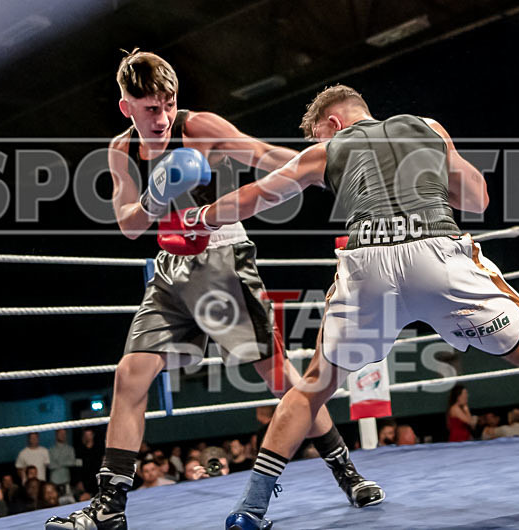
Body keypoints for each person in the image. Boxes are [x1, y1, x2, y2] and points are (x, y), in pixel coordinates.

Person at [177, 84, 519, 527]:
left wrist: (199, 218)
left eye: (319, 134)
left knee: (312, 387)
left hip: (366, 262)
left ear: (333, 123)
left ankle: (250, 506)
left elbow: (260, 195)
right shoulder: (428, 128)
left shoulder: (326, 150)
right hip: (437, 251)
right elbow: (477, 198)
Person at [45, 51, 382, 530]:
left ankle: (347, 473)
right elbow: (127, 224)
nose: (160, 117)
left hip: (223, 258)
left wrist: (332, 163)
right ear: (127, 108)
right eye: (149, 108)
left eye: (167, 104)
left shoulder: (199, 126)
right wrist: (154, 194)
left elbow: (265, 157)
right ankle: (109, 509)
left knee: (279, 378)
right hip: (169, 270)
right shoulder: (119, 151)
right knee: (130, 375)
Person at [48, 429, 76, 496]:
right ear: (56, 435)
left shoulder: (70, 449)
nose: (62, 436)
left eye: (64, 434)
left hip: (66, 481)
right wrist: (65, 462)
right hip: (54, 481)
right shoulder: (51, 450)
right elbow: (50, 465)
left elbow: (73, 462)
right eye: (60, 434)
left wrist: (58, 462)